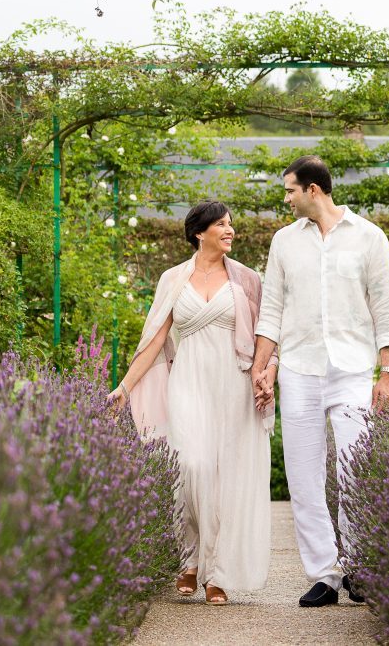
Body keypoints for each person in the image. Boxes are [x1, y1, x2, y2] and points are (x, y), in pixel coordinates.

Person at [108, 200, 277, 606]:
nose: (230, 230)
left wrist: (268, 373)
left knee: (223, 480)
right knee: (189, 466)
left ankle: (215, 572)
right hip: (187, 382)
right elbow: (153, 341)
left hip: (233, 385)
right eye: (221, 224)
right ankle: (189, 560)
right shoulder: (173, 279)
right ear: (200, 233)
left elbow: (268, 336)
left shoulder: (248, 280)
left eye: (231, 223)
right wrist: (125, 387)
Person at [251, 155, 389, 608]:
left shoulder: (369, 238)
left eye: (290, 190)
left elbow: (384, 306)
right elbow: (272, 308)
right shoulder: (284, 242)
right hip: (298, 370)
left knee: (353, 467)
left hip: (353, 368)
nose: (286, 198)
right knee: (303, 473)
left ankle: (358, 565)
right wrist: (264, 366)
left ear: (313, 190)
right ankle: (325, 574)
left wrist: (387, 372)